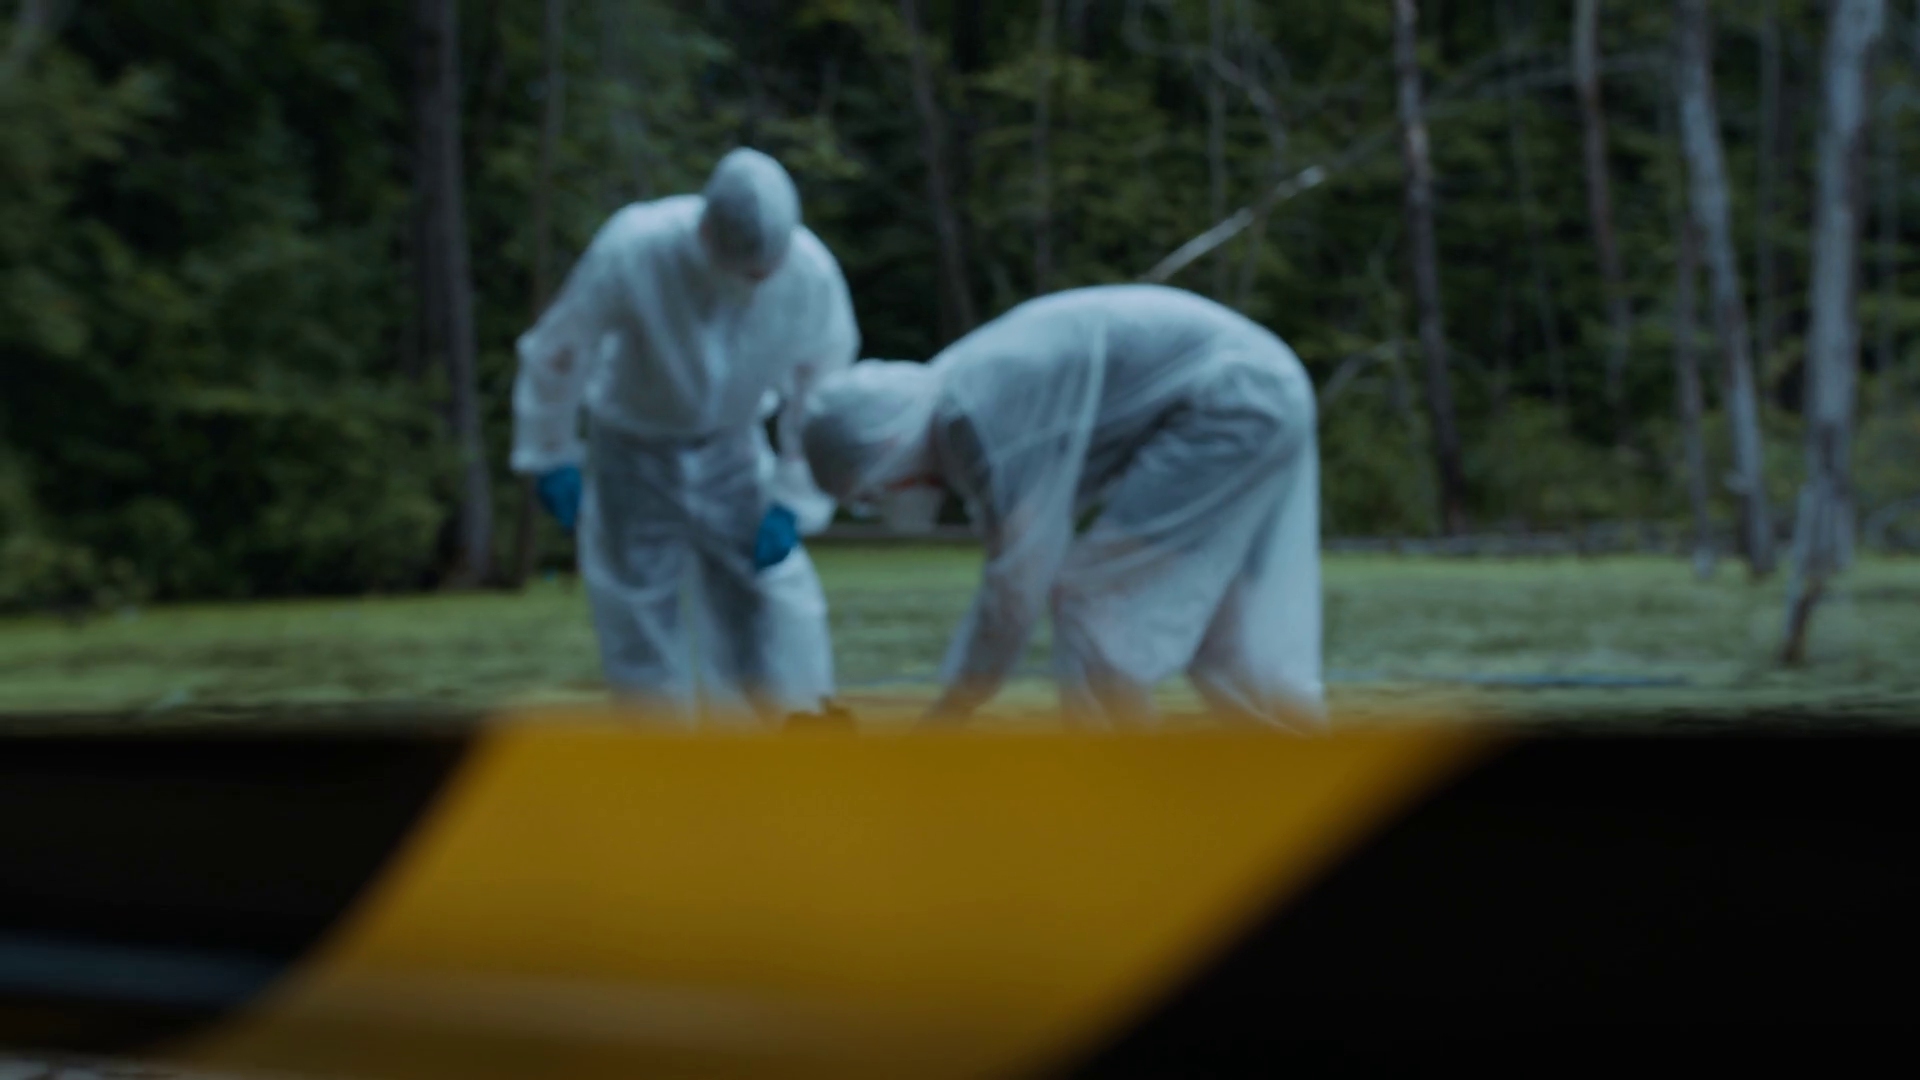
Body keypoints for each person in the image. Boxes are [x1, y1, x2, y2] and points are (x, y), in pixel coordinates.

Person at [800, 284, 1324, 731]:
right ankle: (1293, 771)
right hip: (1256, 386)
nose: (892, 498)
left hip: (1231, 402)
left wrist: (949, 714)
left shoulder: (971, 421)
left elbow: (1015, 590)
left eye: (872, 493)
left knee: (1094, 608)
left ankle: (1119, 789)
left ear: (888, 448)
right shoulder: (960, 393)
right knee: (1222, 638)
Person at [512, 148, 859, 723]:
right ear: (706, 231)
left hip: (734, 447)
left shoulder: (810, 275)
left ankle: (794, 731)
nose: (753, 282)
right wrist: (551, 452)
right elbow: (561, 349)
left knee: (770, 599)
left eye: (764, 271)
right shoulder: (637, 248)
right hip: (633, 447)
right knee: (638, 614)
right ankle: (663, 755)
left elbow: (820, 388)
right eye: (744, 270)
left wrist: (796, 495)